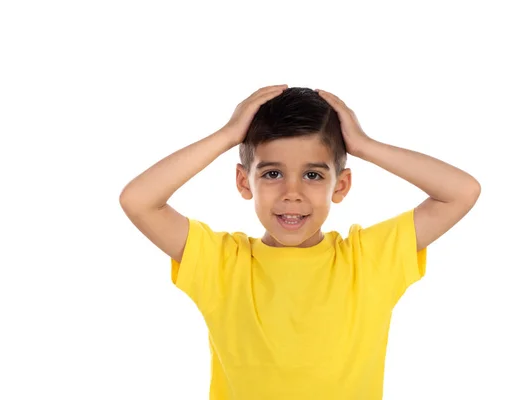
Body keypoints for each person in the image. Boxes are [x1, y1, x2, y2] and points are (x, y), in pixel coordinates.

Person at [119, 84, 481, 399]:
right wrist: (228, 135)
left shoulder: (366, 260)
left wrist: (365, 146)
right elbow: (138, 201)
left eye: (312, 174)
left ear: (340, 186)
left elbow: (461, 192)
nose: (292, 193)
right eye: (273, 173)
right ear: (245, 183)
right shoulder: (222, 263)